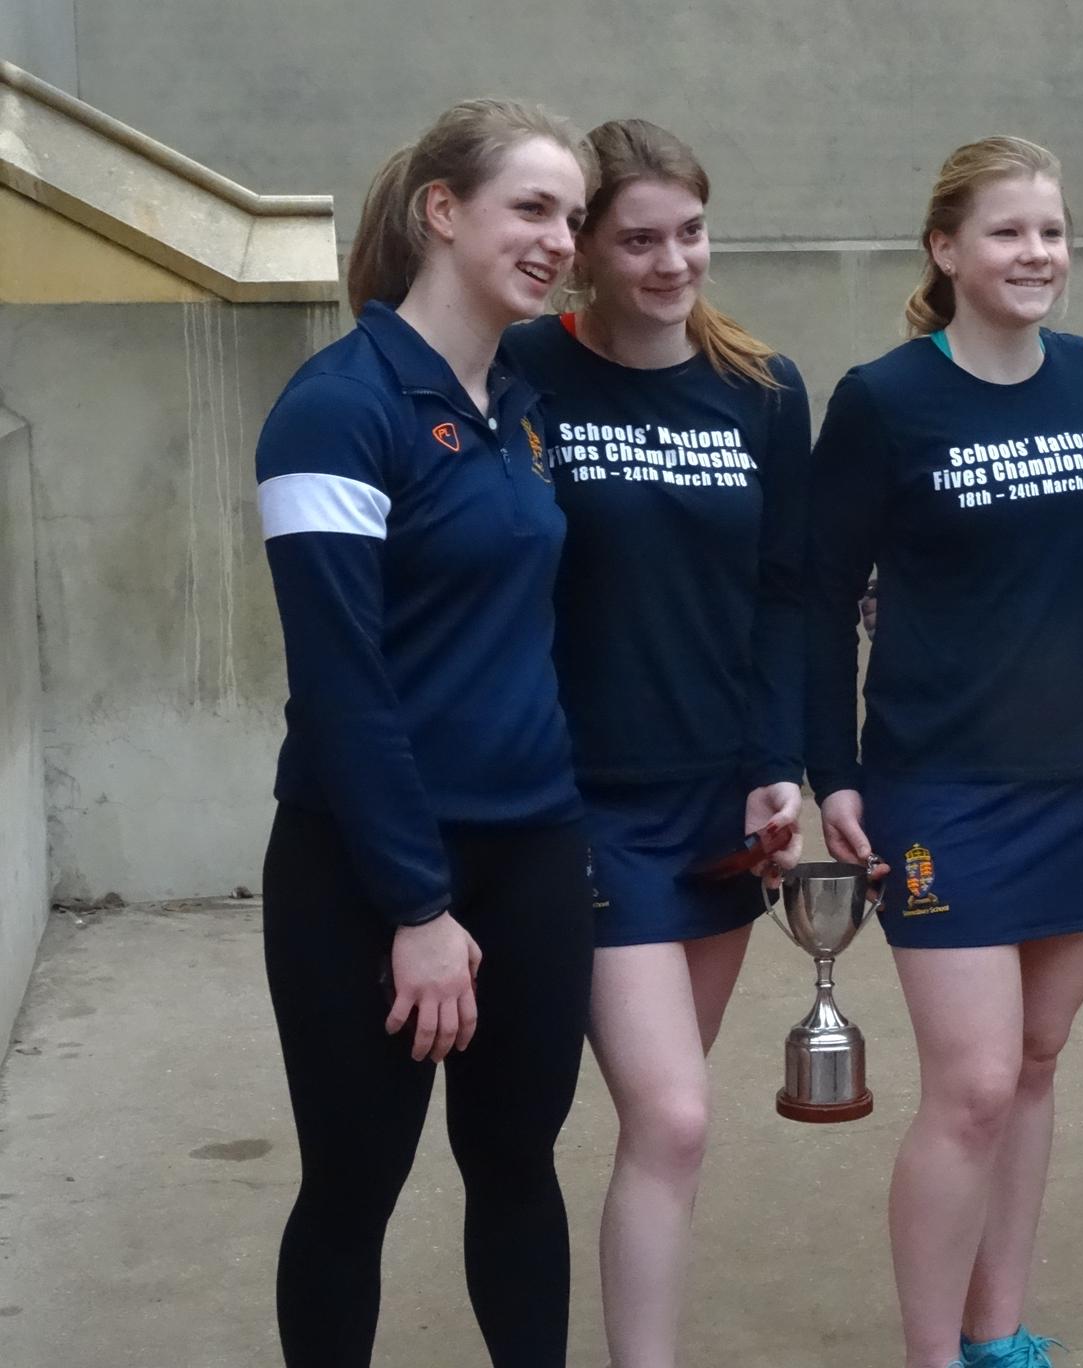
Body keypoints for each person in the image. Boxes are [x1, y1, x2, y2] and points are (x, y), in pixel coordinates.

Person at [253, 99, 596, 1366]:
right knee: (354, 1188)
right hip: (366, 873)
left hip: (535, 852)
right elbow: (342, 689)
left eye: (570, 214)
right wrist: (416, 908)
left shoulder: (521, 403)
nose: (560, 238)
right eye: (531, 207)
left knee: (519, 1167)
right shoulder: (336, 408)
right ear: (440, 212)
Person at [806, 136, 1083, 1368]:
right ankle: (932, 1354)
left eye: (1051, 231)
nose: (1036, 253)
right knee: (976, 1085)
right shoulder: (885, 399)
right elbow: (820, 593)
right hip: (940, 784)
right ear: (946, 251)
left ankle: (1001, 1336)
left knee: (1038, 1065)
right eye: (1007, 232)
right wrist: (828, 770)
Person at [499, 117, 810, 1368]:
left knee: (660, 1129)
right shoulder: (528, 373)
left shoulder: (762, 392)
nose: (672, 261)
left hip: (718, 811)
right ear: (583, 252)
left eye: (689, 232)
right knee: (675, 1116)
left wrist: (777, 765)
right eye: (638, 239)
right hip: (582, 805)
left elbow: (788, 596)